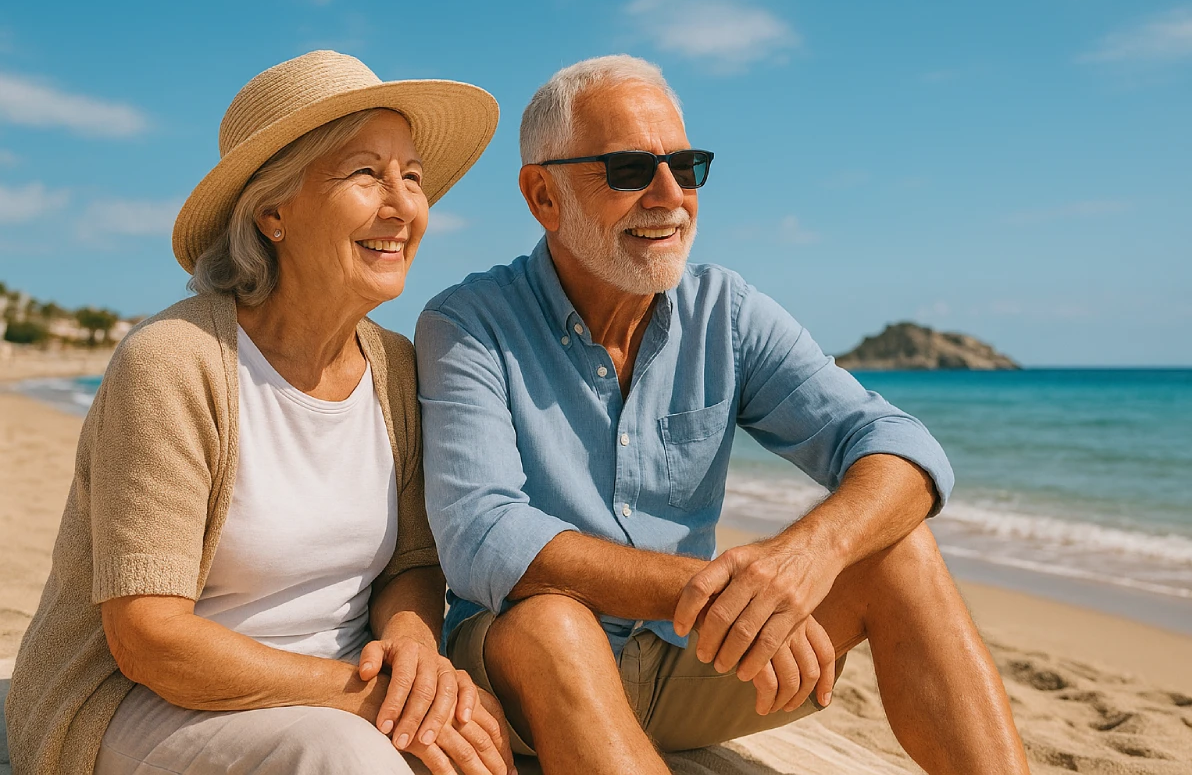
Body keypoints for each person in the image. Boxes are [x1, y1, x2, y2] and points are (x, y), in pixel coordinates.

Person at [415, 55, 1031, 774]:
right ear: (543, 196)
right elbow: (483, 534)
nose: (671, 196)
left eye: (686, 165)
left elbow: (897, 445)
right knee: (552, 622)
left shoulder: (726, 311)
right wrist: (719, 598)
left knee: (899, 550)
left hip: (693, 662)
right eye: (628, 169)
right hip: (524, 686)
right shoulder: (467, 323)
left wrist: (808, 558)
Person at [6, 50, 514, 775]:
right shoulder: (174, 361)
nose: (402, 206)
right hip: (141, 699)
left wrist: (411, 651)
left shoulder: (397, 366)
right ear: (274, 210)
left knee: (474, 735)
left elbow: (413, 562)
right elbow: (148, 638)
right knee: (346, 759)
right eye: (367, 174)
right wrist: (361, 701)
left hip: (335, 686)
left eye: (412, 177)